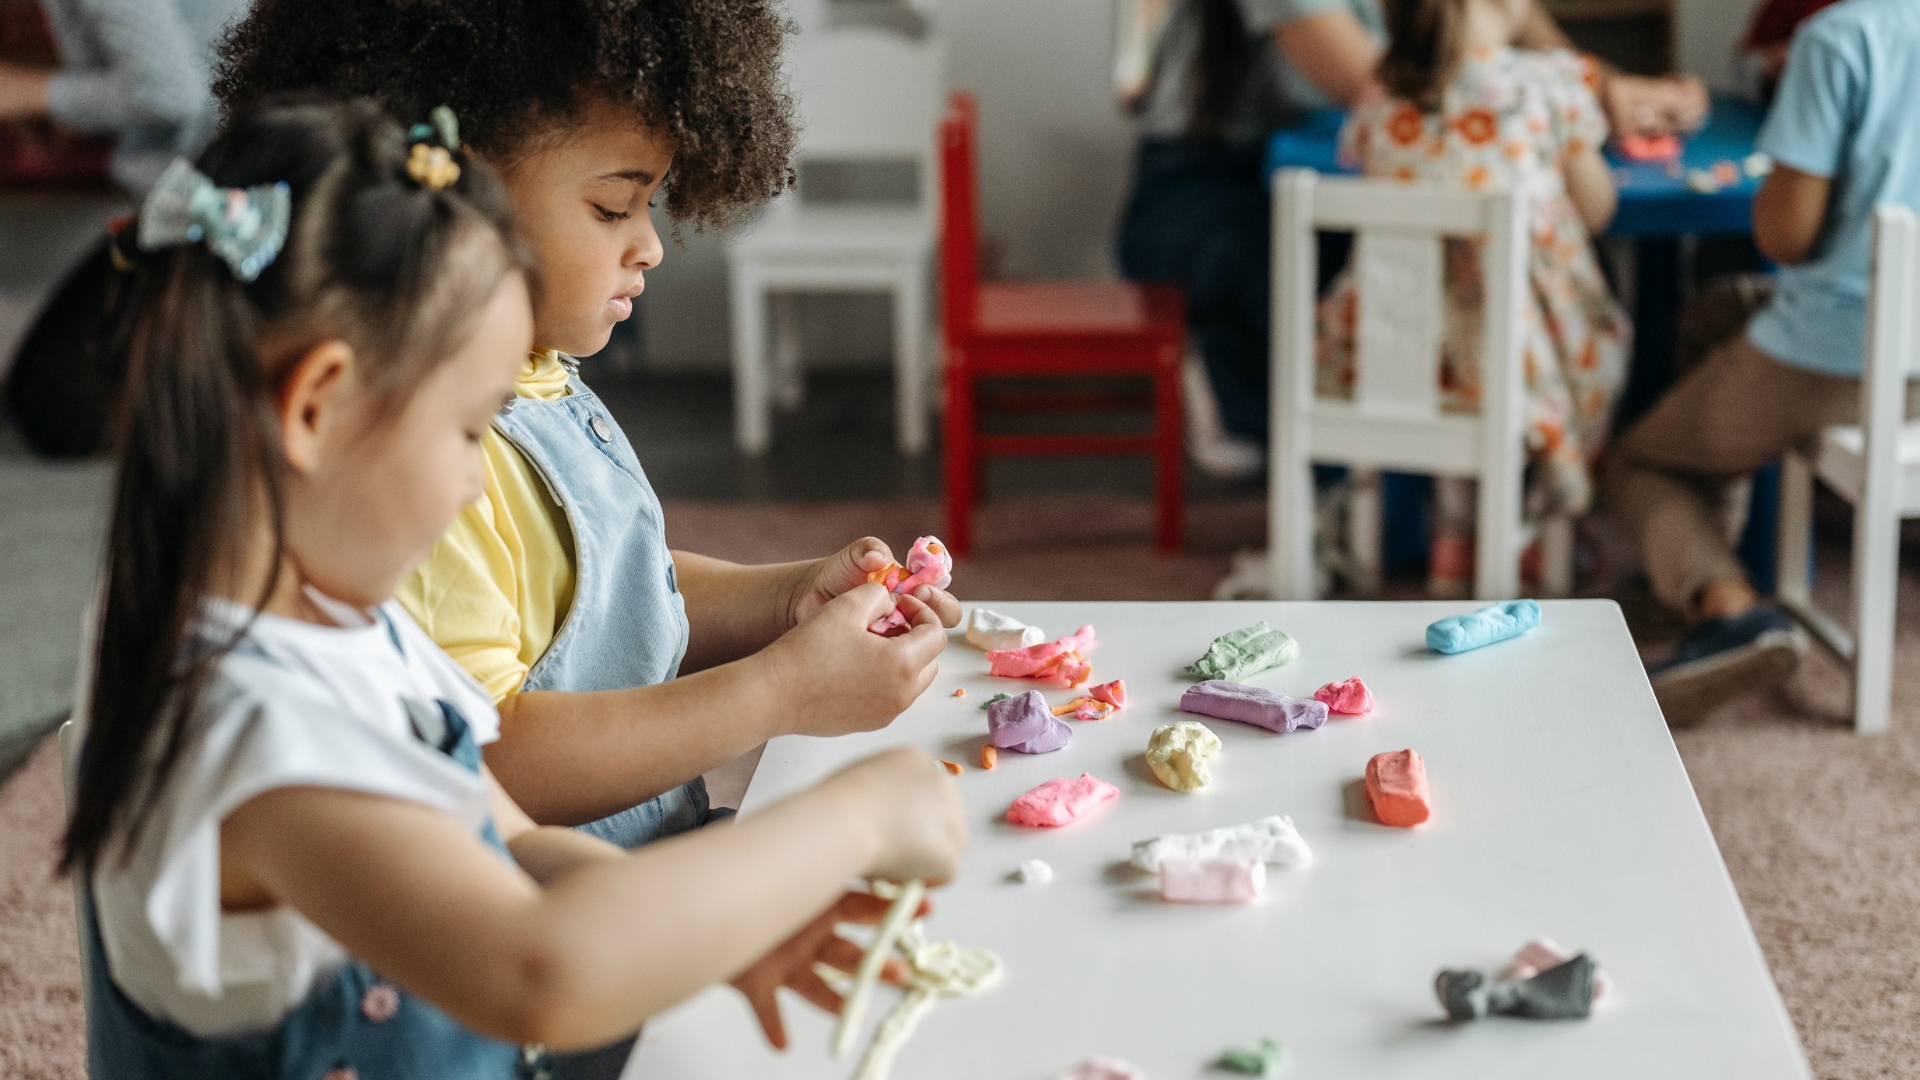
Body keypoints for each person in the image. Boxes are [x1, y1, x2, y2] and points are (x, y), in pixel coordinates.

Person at [64, 96, 966, 1080]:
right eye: (467, 431)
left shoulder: (329, 614)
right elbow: (545, 967)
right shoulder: (250, 728)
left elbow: (512, 834)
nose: (473, 477)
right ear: (316, 408)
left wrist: (708, 924)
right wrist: (863, 813)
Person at [1112, 0, 1702, 473]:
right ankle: (1237, 382)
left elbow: (1521, 26)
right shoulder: (1395, 92)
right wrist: (1574, 92)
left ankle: (1501, 477)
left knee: (1463, 271)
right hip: (1208, 180)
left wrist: (1615, 89)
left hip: (1328, 161)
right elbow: (1376, 81)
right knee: (1354, 297)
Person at [1607, 0, 1920, 725]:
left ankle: (1730, 608)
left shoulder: (1841, 37)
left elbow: (1785, 235)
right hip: (1896, 344)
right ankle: (1687, 569)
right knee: (1713, 314)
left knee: (1638, 463)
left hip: (1847, 352)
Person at [1312, 0, 1629, 595]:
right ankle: (1533, 521)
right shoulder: (1548, 84)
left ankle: (1455, 526)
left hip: (1392, 356)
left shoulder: (1380, 90)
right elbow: (1597, 208)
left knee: (1449, 335)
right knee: (1594, 340)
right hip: (1525, 365)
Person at [0, 0, 250, 458]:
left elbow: (172, 92)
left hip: (222, 200)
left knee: (53, 406)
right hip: (192, 189)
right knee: (42, 395)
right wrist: (60, 111)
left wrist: (28, 92)